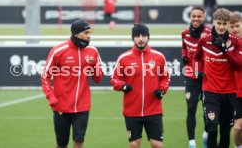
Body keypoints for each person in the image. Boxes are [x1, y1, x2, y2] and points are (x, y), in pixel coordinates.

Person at [41, 19, 104, 148]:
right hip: (61, 106)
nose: (89, 35)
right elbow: (45, 76)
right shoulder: (58, 51)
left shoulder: (93, 51)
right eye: (86, 32)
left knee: (79, 141)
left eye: (90, 32)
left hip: (82, 106)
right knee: (61, 143)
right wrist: (51, 97)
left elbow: (98, 78)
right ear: (76, 33)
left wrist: (94, 65)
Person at [110, 23, 170, 148]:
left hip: (153, 109)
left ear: (148, 37)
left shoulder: (158, 57)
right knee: (134, 144)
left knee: (157, 144)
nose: (141, 39)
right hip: (132, 111)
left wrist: (162, 90)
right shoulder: (124, 58)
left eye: (144, 35)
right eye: (137, 36)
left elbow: (165, 77)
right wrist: (122, 86)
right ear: (133, 38)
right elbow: (114, 78)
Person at [195, 8, 242, 148]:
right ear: (213, 22)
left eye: (224, 23)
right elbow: (196, 58)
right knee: (212, 129)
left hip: (229, 92)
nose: (221, 27)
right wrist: (198, 71)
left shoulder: (236, 42)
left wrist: (225, 49)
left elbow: (238, 66)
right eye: (218, 23)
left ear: (228, 24)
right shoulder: (204, 41)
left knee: (225, 131)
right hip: (210, 91)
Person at [181, 6, 211, 148]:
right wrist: (184, 56)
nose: (196, 19)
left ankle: (205, 135)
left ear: (204, 17)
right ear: (190, 17)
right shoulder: (185, 34)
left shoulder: (210, 33)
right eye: (194, 16)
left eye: (199, 16)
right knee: (191, 108)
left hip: (207, 78)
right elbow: (184, 48)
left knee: (207, 111)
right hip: (191, 78)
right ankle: (191, 143)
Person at [228, 12, 242, 148]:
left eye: (237, 25)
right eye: (232, 26)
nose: (235, 29)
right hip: (236, 93)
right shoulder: (227, 45)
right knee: (237, 128)